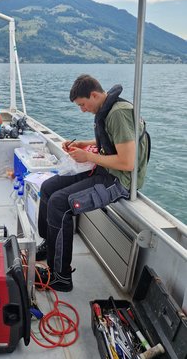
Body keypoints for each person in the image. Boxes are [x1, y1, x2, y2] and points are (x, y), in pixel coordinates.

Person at [35, 74, 149, 292]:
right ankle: (50, 244)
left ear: (95, 95)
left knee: (60, 203)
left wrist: (87, 157)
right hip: (104, 170)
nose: (83, 110)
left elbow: (127, 162)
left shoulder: (118, 114)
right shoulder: (108, 109)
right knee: (47, 188)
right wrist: (83, 144)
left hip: (117, 180)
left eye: (83, 104)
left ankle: (61, 276)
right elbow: (112, 143)